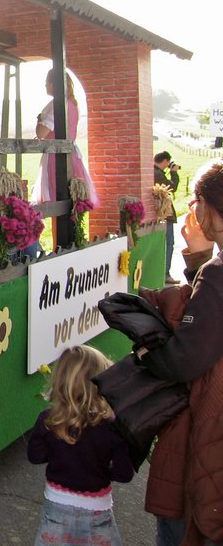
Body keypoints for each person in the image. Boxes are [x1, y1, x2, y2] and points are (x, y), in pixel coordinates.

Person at [141, 159, 223, 546]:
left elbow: (184, 359)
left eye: (195, 203)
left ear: (212, 210)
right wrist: (199, 260)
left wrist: (146, 353)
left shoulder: (218, 274)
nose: (192, 212)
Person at [27, 345, 134, 546]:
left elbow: (35, 456)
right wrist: (101, 468)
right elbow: (124, 474)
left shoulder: (48, 420)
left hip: (57, 505)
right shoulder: (113, 427)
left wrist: (59, 455)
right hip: (97, 509)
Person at [35, 70, 98, 207]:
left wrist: (39, 119)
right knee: (72, 199)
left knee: (56, 197)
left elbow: (41, 133)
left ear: (54, 84)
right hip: (72, 154)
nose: (45, 85)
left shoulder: (57, 104)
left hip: (56, 156)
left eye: (47, 82)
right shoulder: (72, 103)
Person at [154, 151, 182, 285]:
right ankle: (165, 274)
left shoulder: (153, 172)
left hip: (157, 215)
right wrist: (174, 173)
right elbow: (173, 187)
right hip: (164, 215)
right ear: (165, 161)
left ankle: (160, 273)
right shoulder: (158, 174)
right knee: (168, 244)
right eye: (168, 163)